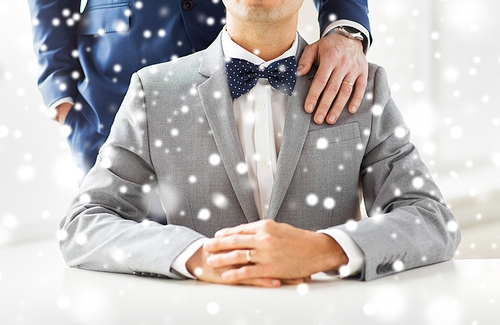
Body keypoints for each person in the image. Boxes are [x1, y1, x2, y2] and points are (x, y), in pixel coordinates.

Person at [59, 0, 460, 286]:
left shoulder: (362, 86)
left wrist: (326, 250)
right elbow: (83, 226)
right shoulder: (153, 91)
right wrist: (198, 257)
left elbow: (432, 219)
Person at [28, 0, 372, 182]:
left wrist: (345, 28)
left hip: (240, 60)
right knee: (123, 255)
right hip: (109, 90)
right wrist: (59, 91)